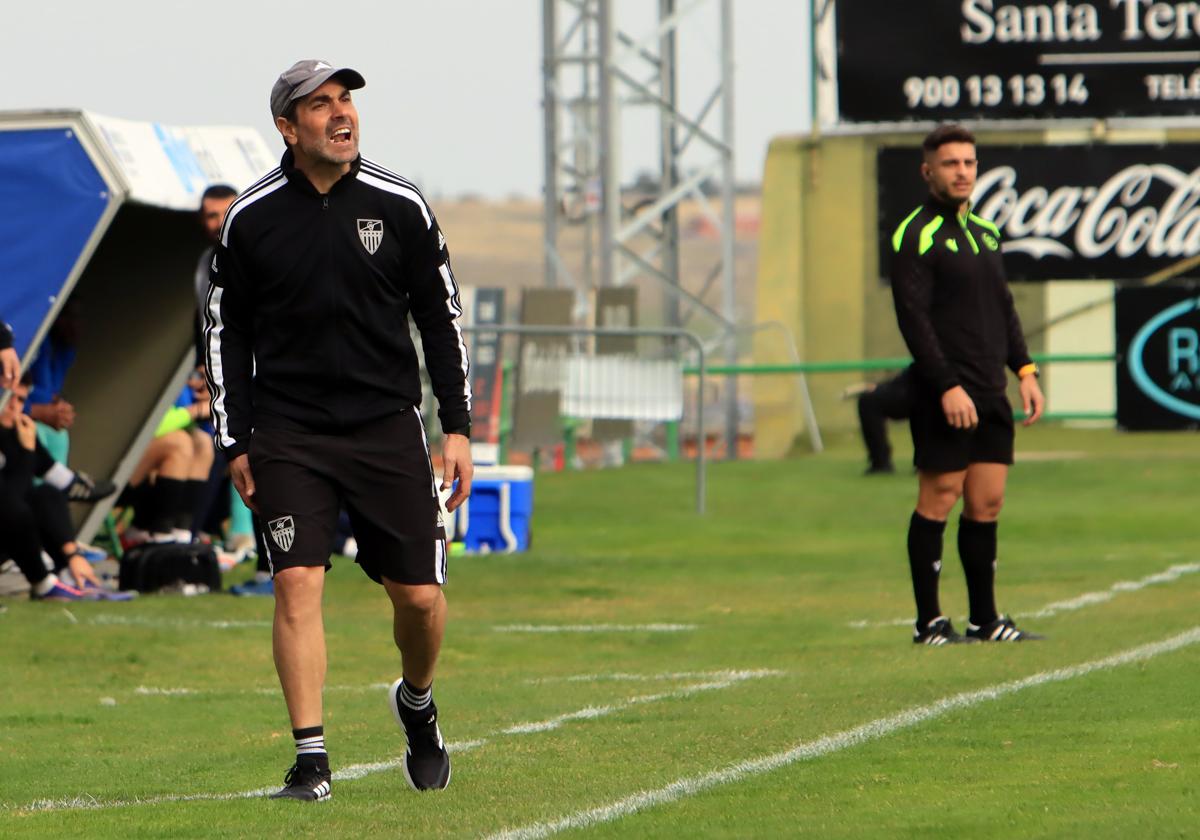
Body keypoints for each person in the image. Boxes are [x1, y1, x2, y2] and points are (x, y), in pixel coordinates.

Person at [204, 59, 473, 801]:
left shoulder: (401, 203)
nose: (340, 114)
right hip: (288, 432)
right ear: (288, 129)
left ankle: (417, 704)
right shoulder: (249, 219)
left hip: (388, 428)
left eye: (345, 99)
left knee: (419, 600)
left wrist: (456, 426)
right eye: (319, 105)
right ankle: (311, 760)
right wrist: (236, 440)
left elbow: (440, 318)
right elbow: (222, 332)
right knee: (295, 582)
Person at [889, 124, 1045, 646]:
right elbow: (913, 320)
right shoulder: (916, 234)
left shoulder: (985, 232)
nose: (962, 172)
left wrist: (1024, 370)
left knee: (988, 502)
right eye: (951, 163)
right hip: (945, 393)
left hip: (990, 391)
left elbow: (1002, 308)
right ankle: (929, 623)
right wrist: (947, 386)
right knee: (941, 495)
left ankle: (985, 621)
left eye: (969, 163)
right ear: (927, 170)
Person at [0, 375, 129, 601]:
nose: (13, 405)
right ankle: (44, 582)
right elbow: (11, 497)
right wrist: (28, 452)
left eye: (20, 400)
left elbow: (42, 468)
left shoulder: (17, 429)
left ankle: (70, 568)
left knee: (47, 493)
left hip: (15, 525)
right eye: (9, 397)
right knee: (16, 504)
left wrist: (30, 449)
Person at [853, 369, 914, 475]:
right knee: (868, 400)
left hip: (941, 388)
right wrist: (881, 386)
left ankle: (933, 462)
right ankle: (880, 462)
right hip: (914, 387)